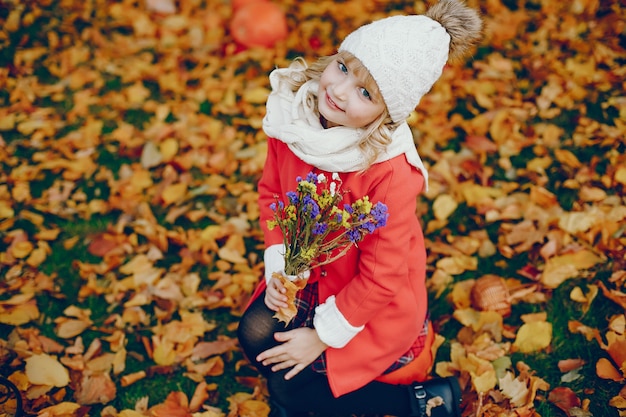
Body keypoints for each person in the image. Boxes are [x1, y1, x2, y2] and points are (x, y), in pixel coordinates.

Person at [237, 1, 482, 416]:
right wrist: (282, 267)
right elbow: (273, 196)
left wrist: (322, 336)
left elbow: (382, 277)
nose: (339, 90)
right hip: (313, 273)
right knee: (255, 336)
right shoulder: (293, 120)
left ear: (386, 115)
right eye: (344, 67)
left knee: (285, 383)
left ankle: (415, 402)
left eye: (366, 93)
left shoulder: (389, 173)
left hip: (367, 299)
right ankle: (300, 393)